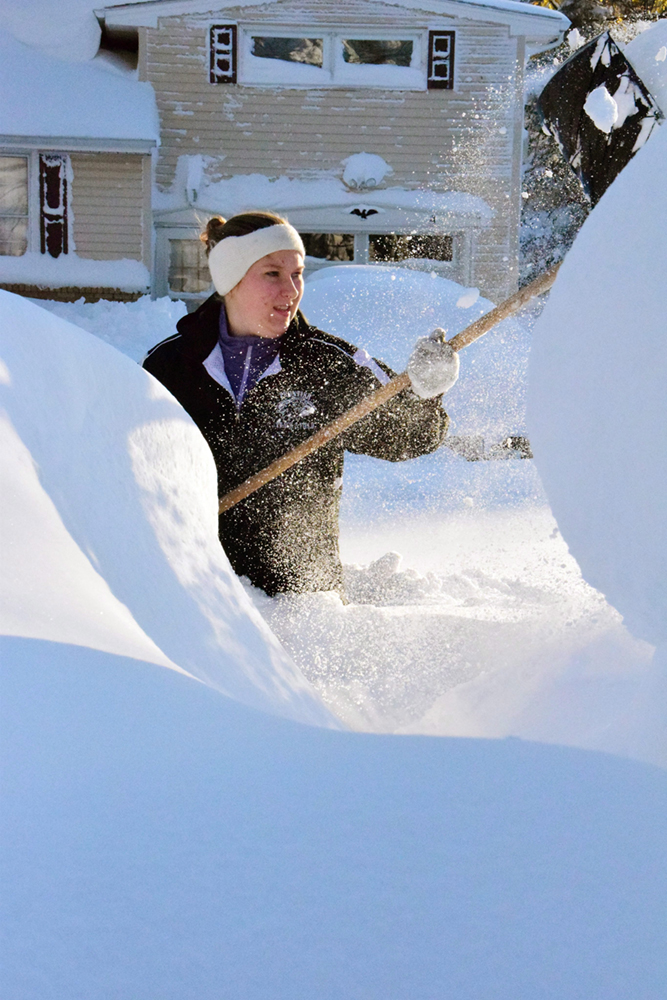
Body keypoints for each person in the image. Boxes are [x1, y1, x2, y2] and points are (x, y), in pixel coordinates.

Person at [143, 211, 459, 597]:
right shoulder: (170, 368)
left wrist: (427, 392)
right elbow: (133, 475)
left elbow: (408, 434)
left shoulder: (327, 364)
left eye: (297, 274)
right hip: (197, 593)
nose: (291, 290)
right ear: (230, 279)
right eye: (272, 274)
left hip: (303, 602)